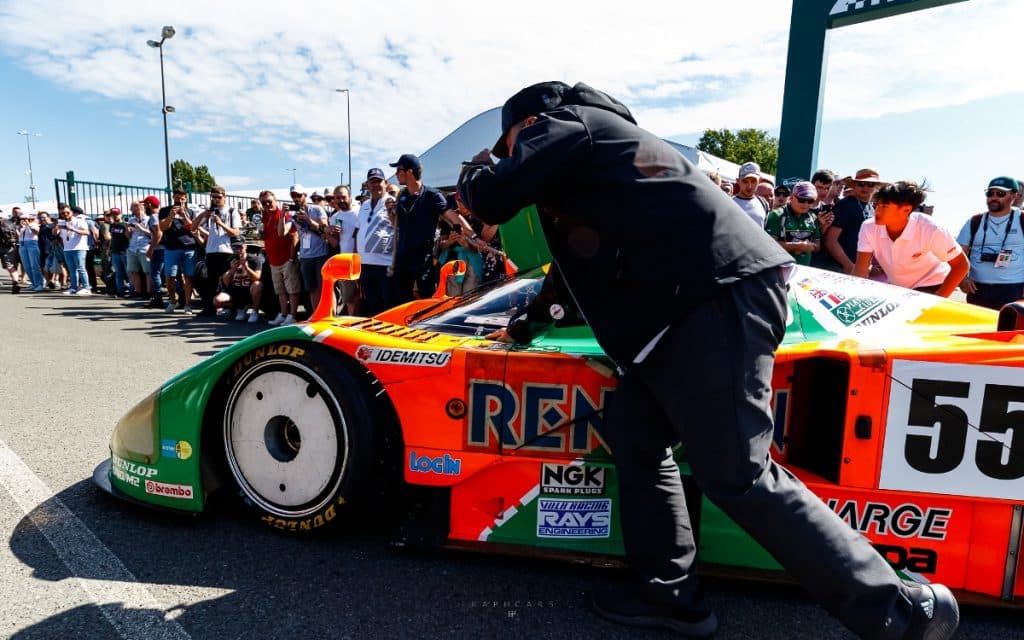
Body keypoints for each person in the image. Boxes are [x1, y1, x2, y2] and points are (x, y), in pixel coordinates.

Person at [458, 81, 958, 640]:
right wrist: (529, 322)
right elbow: (580, 263)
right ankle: (668, 593)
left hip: (710, 304)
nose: (514, 159)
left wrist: (478, 169)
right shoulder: (601, 159)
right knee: (636, 435)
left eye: (511, 146)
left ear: (529, 125)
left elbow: (491, 198)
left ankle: (897, 611)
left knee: (739, 475)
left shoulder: (569, 123)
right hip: (688, 313)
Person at [853, 181, 967, 295]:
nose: (877, 211)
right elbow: (860, 271)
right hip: (898, 288)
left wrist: (939, 297)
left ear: (906, 210)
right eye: (876, 205)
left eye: (884, 206)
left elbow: (961, 265)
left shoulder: (931, 228)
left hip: (933, 284)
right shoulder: (868, 227)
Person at [390, 153, 452, 302]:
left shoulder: (432, 195)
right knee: (400, 300)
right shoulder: (402, 196)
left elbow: (453, 217)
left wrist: (473, 237)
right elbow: (396, 225)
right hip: (402, 258)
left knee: (427, 299)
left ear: (409, 172)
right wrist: (390, 212)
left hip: (423, 259)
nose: (396, 174)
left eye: (398, 170)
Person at [957, 176, 1024, 309]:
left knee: (1006, 329)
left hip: (1013, 290)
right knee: (977, 328)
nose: (994, 197)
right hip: (977, 290)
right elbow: (958, 254)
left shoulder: (1022, 219)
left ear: (1014, 195)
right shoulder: (974, 221)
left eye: (1000, 194)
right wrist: (962, 279)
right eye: (990, 193)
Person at [191, 185, 242, 315]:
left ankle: (232, 307)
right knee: (210, 280)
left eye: (218, 197)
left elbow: (235, 232)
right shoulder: (209, 212)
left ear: (224, 197)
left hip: (227, 250)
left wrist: (220, 223)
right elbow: (192, 227)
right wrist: (203, 214)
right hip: (212, 250)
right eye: (213, 197)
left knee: (228, 279)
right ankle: (210, 306)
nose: (215, 200)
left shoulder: (231, 211)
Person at [281, 184, 330, 314]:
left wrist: (308, 220)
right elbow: (282, 232)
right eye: (293, 196)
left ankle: (325, 314)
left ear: (305, 196)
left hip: (320, 255)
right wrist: (282, 216)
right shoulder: (294, 215)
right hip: (305, 256)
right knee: (311, 289)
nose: (296, 198)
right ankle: (316, 314)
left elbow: (324, 228)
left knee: (322, 289)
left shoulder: (317, 209)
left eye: (298, 195)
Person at [354, 169, 397, 316]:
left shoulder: (392, 202)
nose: (375, 185)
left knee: (389, 306)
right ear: (367, 185)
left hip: (386, 264)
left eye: (379, 181)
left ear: (385, 183)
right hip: (366, 264)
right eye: (372, 181)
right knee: (373, 306)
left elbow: (399, 228)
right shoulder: (363, 206)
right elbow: (358, 231)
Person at [824, 168, 882, 273]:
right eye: (861, 184)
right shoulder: (845, 205)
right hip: (837, 268)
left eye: (870, 185)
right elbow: (830, 240)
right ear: (854, 185)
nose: (865, 187)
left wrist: (867, 266)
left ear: (876, 187)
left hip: (856, 268)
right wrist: (848, 265)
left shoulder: (871, 209)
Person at [261, 191, 300, 326]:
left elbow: (294, 237)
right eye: (264, 203)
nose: (267, 204)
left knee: (292, 289)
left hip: (286, 259)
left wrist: (291, 259)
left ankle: (292, 316)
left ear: (275, 201)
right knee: (280, 291)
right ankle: (283, 314)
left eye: (269, 201)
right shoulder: (264, 217)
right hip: (273, 260)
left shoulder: (285, 215)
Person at [158, 189, 199, 314]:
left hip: (189, 248)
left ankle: (187, 304)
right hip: (171, 248)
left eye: (182, 199)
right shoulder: (165, 211)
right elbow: (163, 227)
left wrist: (184, 216)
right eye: (177, 198)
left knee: (188, 277)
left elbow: (193, 228)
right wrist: (171, 215)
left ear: (186, 199)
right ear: (173, 198)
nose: (179, 201)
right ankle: (172, 300)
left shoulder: (191, 212)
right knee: (169, 276)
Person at [763, 181, 820, 266]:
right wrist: (796, 246)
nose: (806, 204)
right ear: (792, 197)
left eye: (810, 201)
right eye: (802, 200)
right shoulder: (776, 215)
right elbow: (769, 245)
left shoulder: (812, 217)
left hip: (804, 270)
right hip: (780, 269)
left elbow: (818, 245)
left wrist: (809, 247)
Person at [326, 185, 360, 315]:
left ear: (350, 197)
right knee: (349, 298)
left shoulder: (360, 211)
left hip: (364, 259)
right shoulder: (335, 217)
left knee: (364, 296)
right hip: (346, 261)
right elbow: (335, 243)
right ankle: (352, 324)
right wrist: (328, 232)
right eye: (337, 198)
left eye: (343, 197)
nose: (341, 200)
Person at [212, 243, 264, 323]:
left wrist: (246, 268)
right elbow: (226, 283)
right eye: (234, 247)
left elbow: (257, 277)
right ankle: (239, 307)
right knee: (217, 301)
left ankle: (254, 311)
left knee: (258, 285)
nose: (237, 250)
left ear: (245, 247)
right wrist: (232, 270)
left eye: (240, 247)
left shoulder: (254, 259)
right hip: (236, 292)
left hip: (250, 291)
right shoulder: (230, 260)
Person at [58, 205, 92, 295]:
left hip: (79, 247)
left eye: (67, 212)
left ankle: (86, 287)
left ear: (71, 212)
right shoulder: (61, 222)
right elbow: (56, 234)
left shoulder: (79, 221)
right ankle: (74, 287)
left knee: (81, 268)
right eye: (62, 213)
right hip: (67, 248)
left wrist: (72, 229)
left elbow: (86, 232)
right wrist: (56, 227)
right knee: (72, 269)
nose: (65, 214)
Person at [142, 195, 165, 308]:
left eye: (145, 205)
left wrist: (151, 248)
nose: (145, 207)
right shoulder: (161, 215)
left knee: (155, 273)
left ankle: (158, 298)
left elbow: (158, 233)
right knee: (166, 274)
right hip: (165, 248)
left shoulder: (154, 217)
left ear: (150, 205)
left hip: (159, 249)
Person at [125, 201, 152, 299]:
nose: (132, 210)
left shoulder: (149, 219)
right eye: (132, 207)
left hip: (145, 247)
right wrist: (127, 230)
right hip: (133, 248)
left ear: (141, 208)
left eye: (134, 207)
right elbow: (128, 236)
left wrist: (141, 228)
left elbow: (153, 234)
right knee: (133, 271)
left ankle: (149, 292)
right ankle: (138, 292)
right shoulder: (131, 220)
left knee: (147, 271)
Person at [732, 162, 770, 227]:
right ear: (738, 181)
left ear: (759, 181)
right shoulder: (729, 202)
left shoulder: (763, 203)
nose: (749, 186)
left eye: (753, 181)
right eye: (745, 181)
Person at [107, 207, 130, 297]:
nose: (115, 216)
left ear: (121, 214)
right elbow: (112, 238)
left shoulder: (124, 225)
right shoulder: (112, 226)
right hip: (115, 251)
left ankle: (131, 289)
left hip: (124, 251)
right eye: (113, 214)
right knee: (118, 273)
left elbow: (128, 238)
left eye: (116, 214)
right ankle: (120, 290)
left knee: (128, 272)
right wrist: (109, 249)